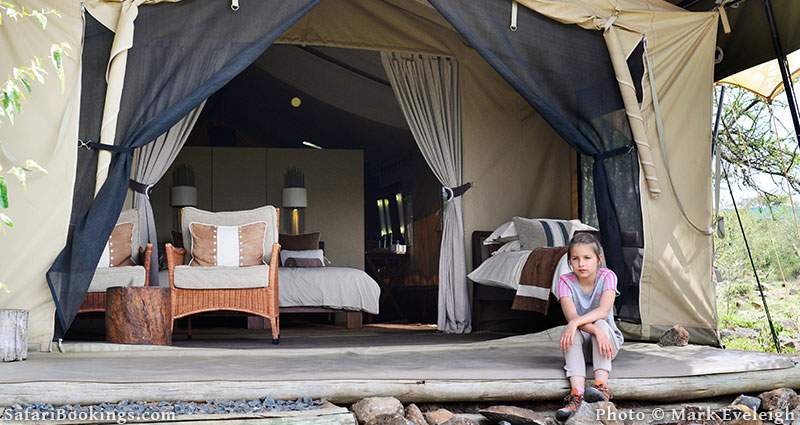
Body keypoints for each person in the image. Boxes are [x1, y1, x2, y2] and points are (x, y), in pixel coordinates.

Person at [554, 232, 624, 422]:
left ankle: (601, 386)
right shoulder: (564, 281)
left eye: (587, 258)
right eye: (575, 259)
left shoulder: (608, 276)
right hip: (586, 343)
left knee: (600, 323)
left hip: (607, 343)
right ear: (569, 262)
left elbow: (603, 310)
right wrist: (580, 325)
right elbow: (572, 316)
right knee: (574, 332)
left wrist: (578, 324)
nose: (581, 264)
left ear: (598, 259)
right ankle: (576, 395)